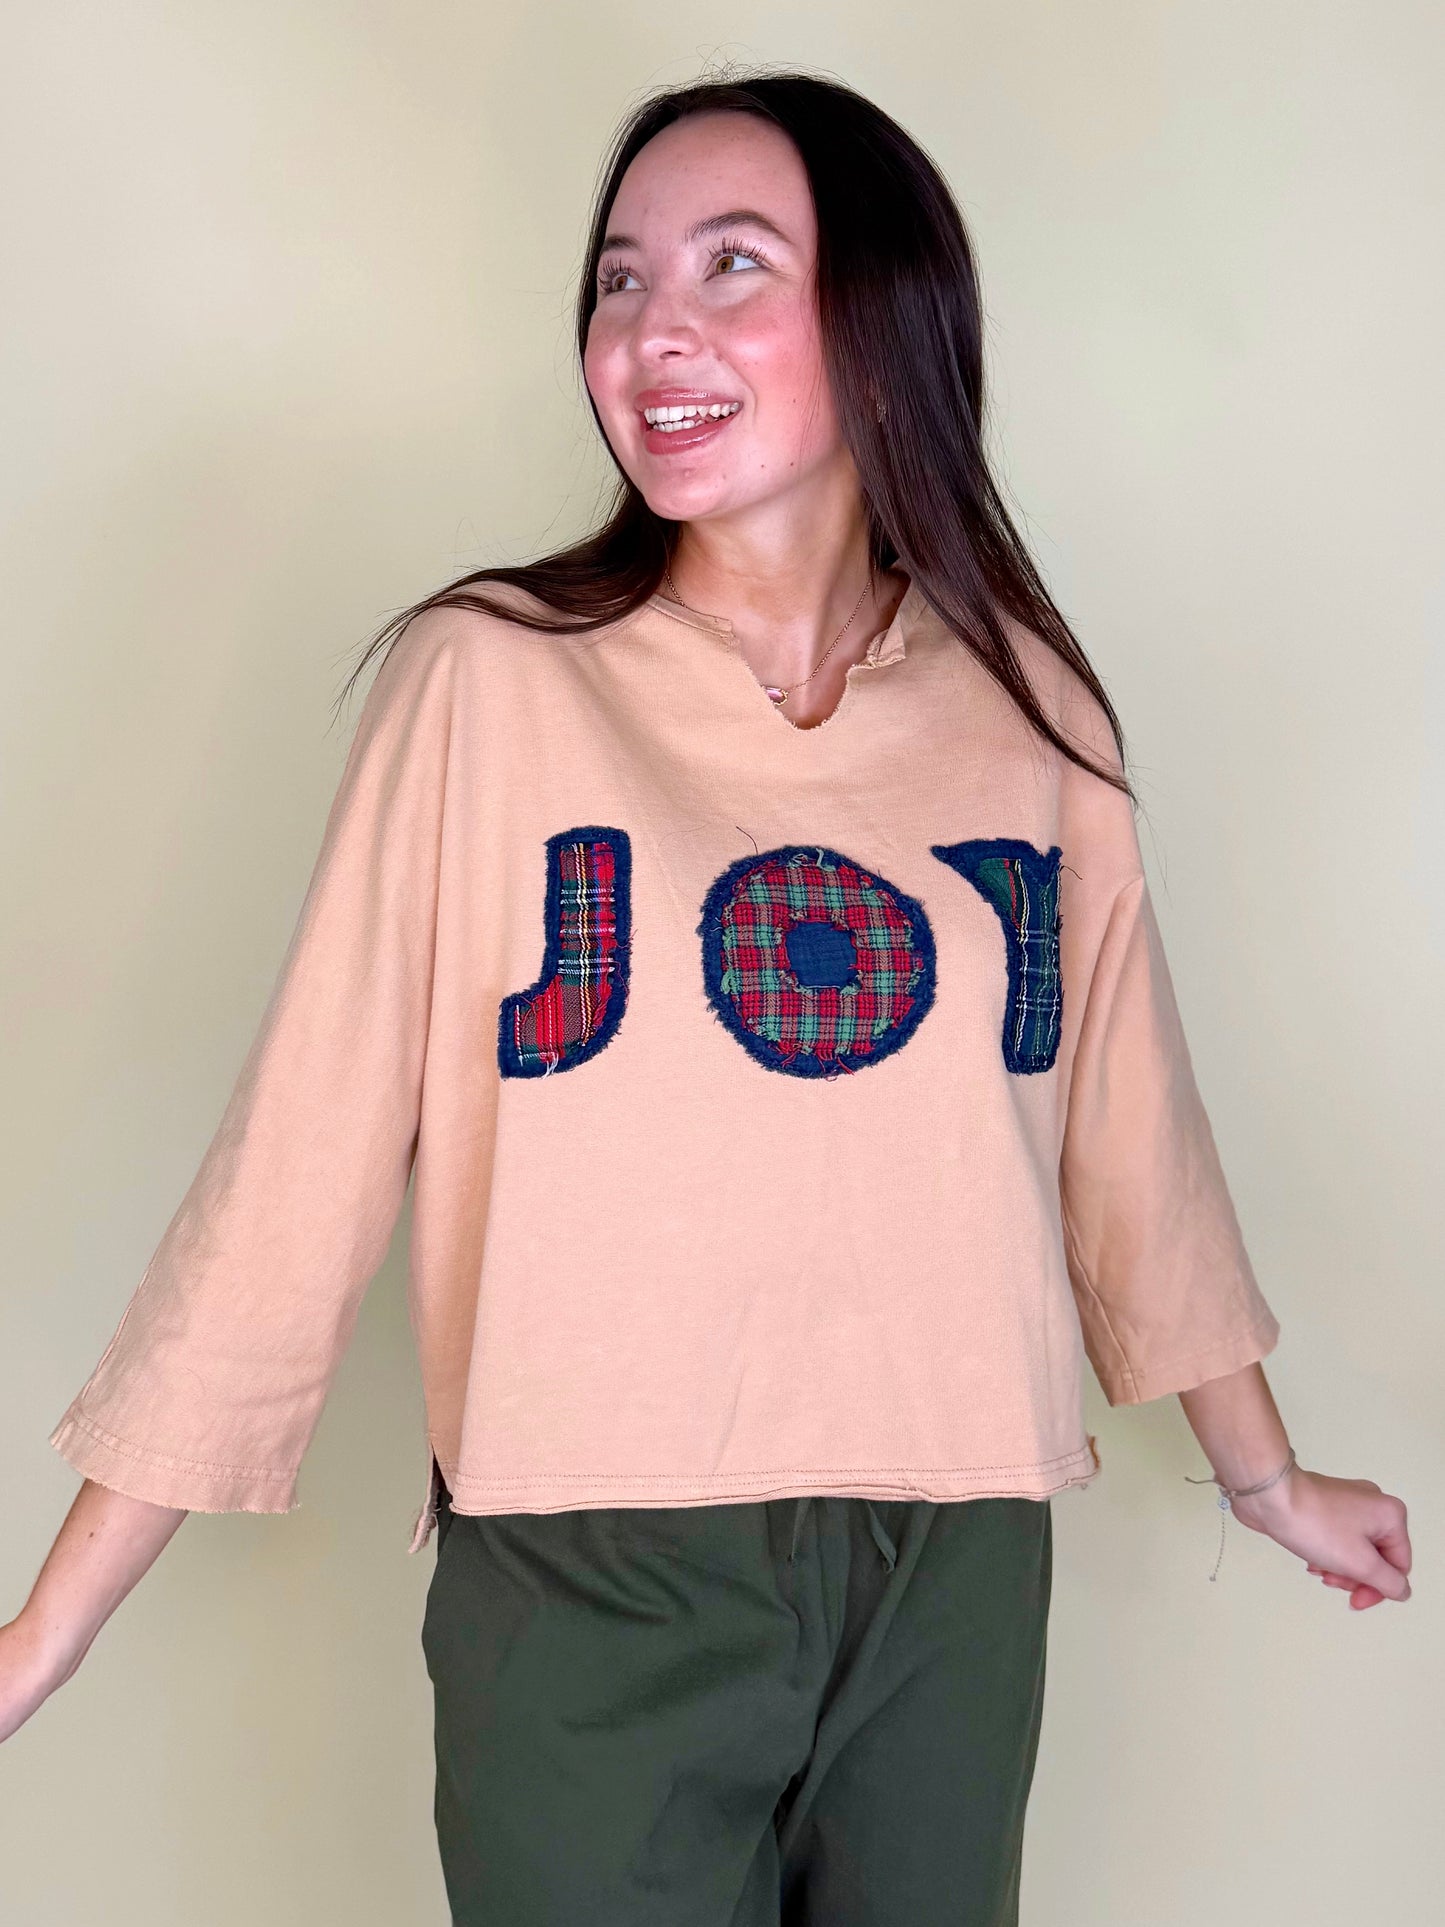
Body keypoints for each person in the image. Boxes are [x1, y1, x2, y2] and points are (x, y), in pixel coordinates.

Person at [3, 66, 1412, 1926]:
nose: (649, 332)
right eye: (618, 280)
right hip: (589, 1575)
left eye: (730, 266)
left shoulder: (1029, 716)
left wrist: (1264, 1480)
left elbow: (1127, 1142)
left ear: (884, 324)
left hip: (954, 1567)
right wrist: (41, 1636)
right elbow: (300, 1160)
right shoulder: (488, 683)